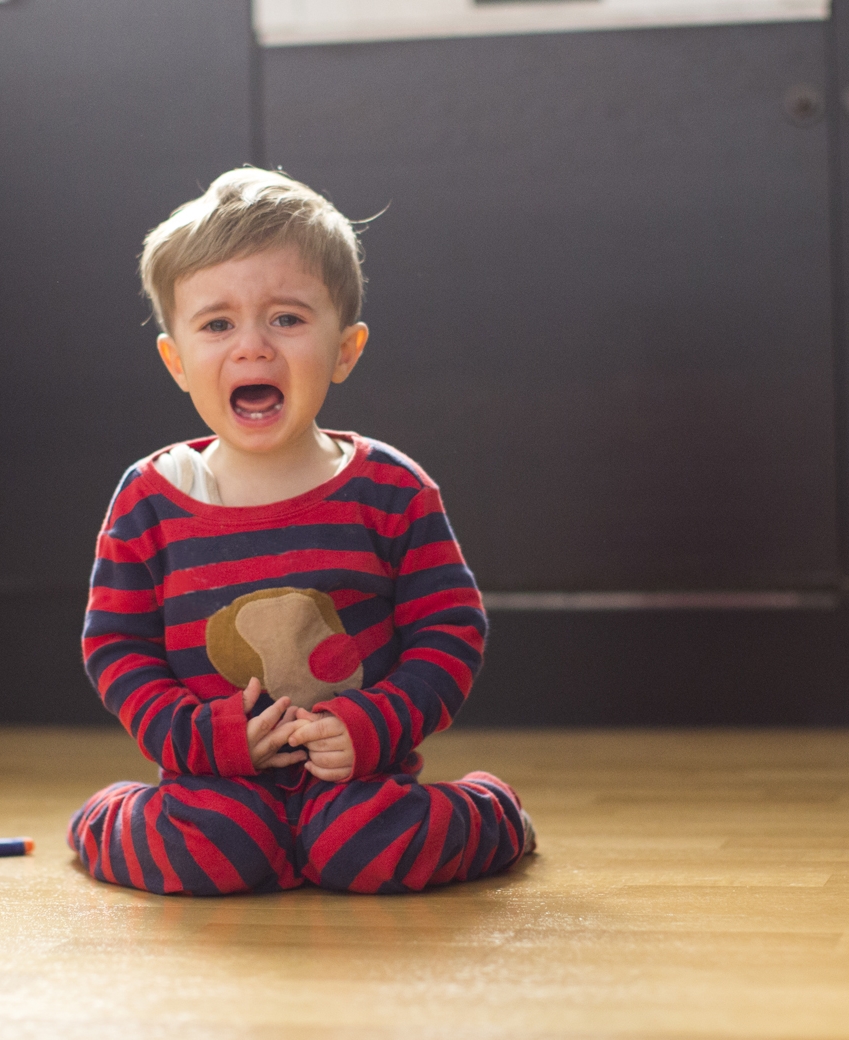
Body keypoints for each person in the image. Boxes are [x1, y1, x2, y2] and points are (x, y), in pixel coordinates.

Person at [68, 167, 534, 895]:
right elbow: (118, 650)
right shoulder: (150, 500)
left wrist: (373, 725)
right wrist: (203, 738)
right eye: (217, 325)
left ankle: (492, 812)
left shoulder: (391, 490)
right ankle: (106, 816)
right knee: (210, 854)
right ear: (177, 362)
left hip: (357, 778)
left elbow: (449, 631)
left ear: (345, 350)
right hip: (213, 778)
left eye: (286, 319)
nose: (252, 347)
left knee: (367, 850)